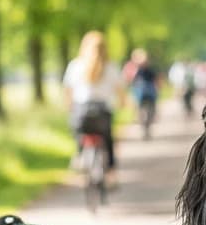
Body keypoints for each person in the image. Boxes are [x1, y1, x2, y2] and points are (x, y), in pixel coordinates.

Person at [62, 31, 121, 176]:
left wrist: (70, 106)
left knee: (79, 131)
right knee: (107, 138)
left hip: (81, 110)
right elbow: (120, 91)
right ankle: (111, 172)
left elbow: (68, 91)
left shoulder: (75, 66)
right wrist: (122, 104)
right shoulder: (111, 67)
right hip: (103, 111)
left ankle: (79, 155)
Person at [129, 48, 160, 138]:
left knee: (143, 111)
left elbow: (132, 81)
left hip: (143, 94)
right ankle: (146, 127)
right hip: (147, 94)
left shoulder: (139, 70)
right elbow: (157, 81)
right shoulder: (146, 70)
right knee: (148, 112)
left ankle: (145, 126)